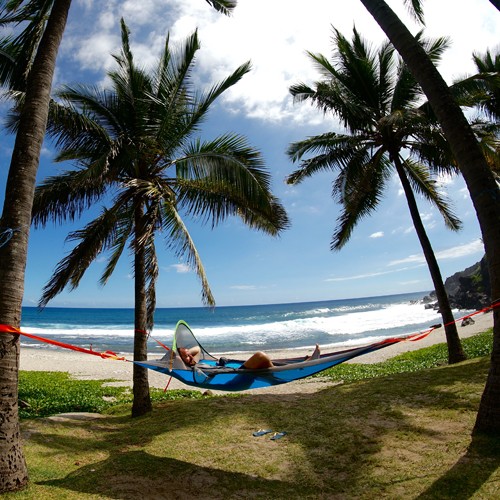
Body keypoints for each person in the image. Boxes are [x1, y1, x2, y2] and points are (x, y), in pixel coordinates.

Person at [178, 344, 320, 370]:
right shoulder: (188, 367)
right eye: (187, 357)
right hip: (235, 374)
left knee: (268, 363)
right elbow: (176, 359)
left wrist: (186, 353)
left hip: (233, 369)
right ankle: (302, 366)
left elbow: (196, 348)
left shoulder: (193, 361)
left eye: (190, 355)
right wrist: (180, 354)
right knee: (260, 356)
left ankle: (304, 364)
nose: (191, 357)